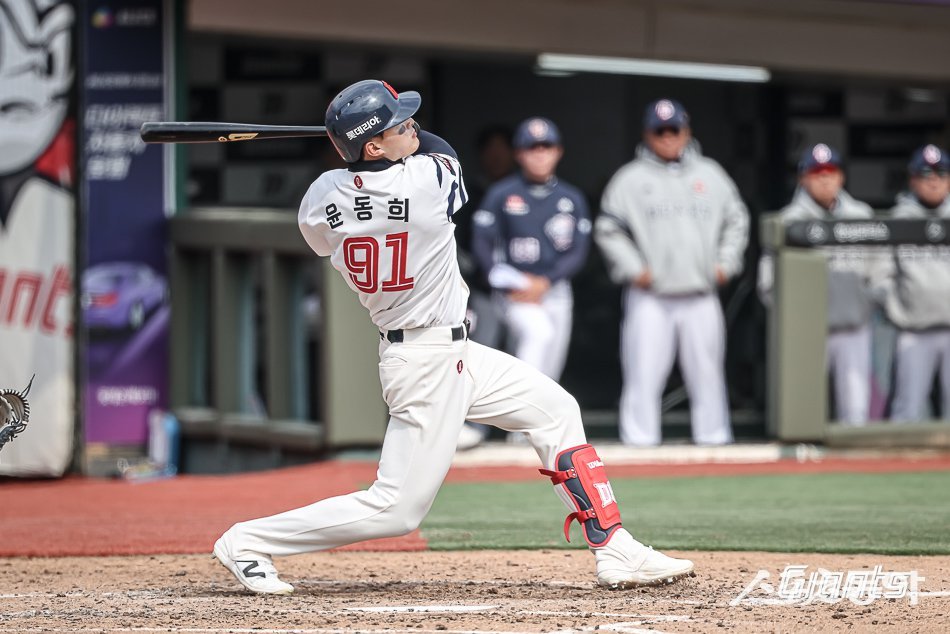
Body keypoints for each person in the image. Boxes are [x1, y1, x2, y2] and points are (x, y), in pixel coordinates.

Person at [211, 80, 694, 594]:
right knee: (396, 510)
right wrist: (382, 142)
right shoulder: (423, 184)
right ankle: (247, 540)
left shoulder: (319, 197)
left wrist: (364, 144)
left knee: (556, 409)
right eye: (400, 124)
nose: (413, 126)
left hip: (450, 350)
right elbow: (440, 149)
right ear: (373, 146)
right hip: (424, 362)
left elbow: (341, 207)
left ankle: (613, 546)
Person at [595, 99, 749, 447]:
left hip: (700, 293)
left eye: (673, 129)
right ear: (647, 134)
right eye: (659, 130)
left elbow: (737, 220)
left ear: (687, 130)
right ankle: (639, 444)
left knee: (707, 375)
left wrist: (726, 264)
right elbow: (608, 229)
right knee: (643, 375)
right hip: (651, 296)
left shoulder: (710, 174)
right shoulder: (630, 178)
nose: (667, 137)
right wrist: (634, 269)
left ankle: (714, 443)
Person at [458, 117, 591, 448]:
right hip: (513, 289)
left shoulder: (571, 197)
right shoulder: (501, 194)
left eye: (546, 147)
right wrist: (504, 279)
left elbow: (578, 251)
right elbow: (482, 244)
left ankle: (535, 433)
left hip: (555, 289)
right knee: (537, 334)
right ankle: (519, 429)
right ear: (519, 153)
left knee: (553, 363)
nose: (539, 154)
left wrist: (546, 281)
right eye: (532, 148)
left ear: (558, 151)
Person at [758, 143, 875, 425]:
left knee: (856, 412)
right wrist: (793, 321)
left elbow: (880, 271)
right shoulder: (788, 221)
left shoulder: (861, 215)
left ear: (841, 176)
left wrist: (868, 304)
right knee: (802, 412)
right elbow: (768, 283)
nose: (825, 178)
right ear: (803, 178)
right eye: (817, 172)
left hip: (853, 327)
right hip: (806, 334)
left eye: (830, 171)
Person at [884, 144, 950, 422]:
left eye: (940, 173)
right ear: (913, 179)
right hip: (914, 331)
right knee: (907, 410)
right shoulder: (899, 218)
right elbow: (882, 273)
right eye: (925, 174)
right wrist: (897, 311)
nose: (933, 180)